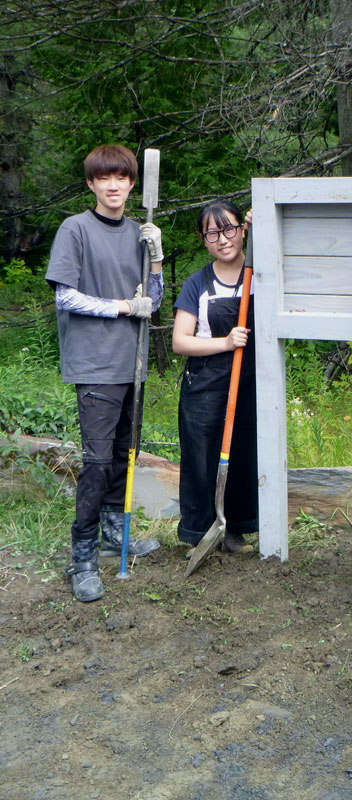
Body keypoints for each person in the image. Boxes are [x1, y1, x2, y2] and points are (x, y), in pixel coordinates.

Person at [46, 144, 163, 603]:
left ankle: (116, 532)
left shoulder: (138, 231)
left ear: (133, 183)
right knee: (96, 462)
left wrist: (155, 258)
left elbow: (150, 298)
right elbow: (65, 297)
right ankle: (83, 557)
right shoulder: (75, 229)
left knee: (122, 454)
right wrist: (120, 306)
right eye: (104, 178)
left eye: (121, 178)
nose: (113, 186)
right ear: (92, 183)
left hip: (131, 362)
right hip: (95, 363)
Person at [172, 201, 257, 556]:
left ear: (242, 230)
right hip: (205, 386)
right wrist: (224, 342)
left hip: (248, 382)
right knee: (201, 459)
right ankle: (199, 533)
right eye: (212, 233)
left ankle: (236, 528)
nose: (222, 239)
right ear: (203, 239)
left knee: (243, 455)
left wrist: (263, 228)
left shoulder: (259, 274)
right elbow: (180, 341)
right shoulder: (198, 283)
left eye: (229, 229)